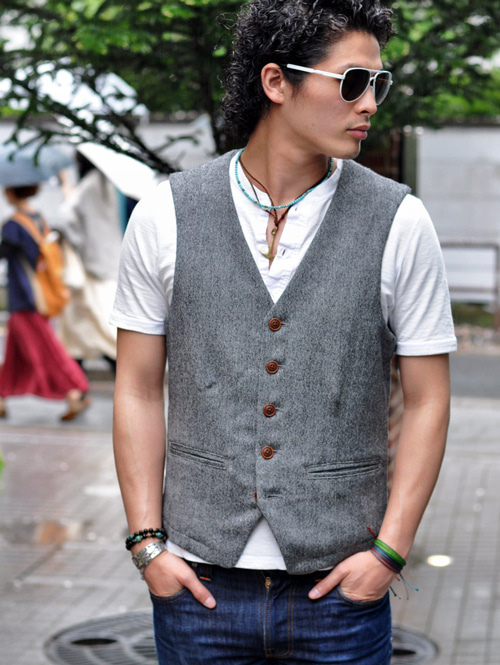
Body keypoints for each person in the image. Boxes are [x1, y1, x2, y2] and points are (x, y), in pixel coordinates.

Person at [111, 0, 457, 662]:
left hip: (342, 591)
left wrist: (389, 552)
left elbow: (428, 399)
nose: (370, 104)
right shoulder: (166, 214)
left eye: (378, 84)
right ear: (276, 82)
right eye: (352, 81)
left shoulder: (400, 221)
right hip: (197, 584)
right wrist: (146, 543)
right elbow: (136, 386)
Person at [0, 185, 90, 421]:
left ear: (11, 192)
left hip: (25, 300)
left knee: (47, 350)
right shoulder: (39, 220)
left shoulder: (13, 226)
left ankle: (75, 391)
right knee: (15, 354)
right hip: (40, 295)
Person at [57, 153, 123, 375]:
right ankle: (78, 385)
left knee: (94, 327)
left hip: (91, 269)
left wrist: (66, 189)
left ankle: (78, 385)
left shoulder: (89, 186)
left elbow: (66, 218)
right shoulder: (109, 185)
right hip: (108, 264)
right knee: (90, 329)